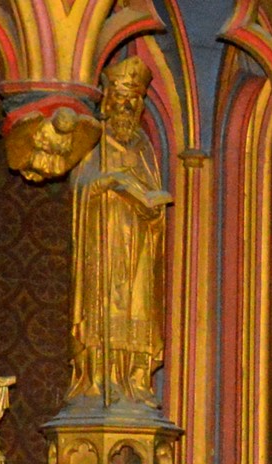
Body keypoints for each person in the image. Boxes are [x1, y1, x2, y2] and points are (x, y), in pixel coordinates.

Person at [69, 56, 171, 407]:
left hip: (139, 244)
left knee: (139, 306)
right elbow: (79, 184)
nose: (126, 104)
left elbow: (152, 186)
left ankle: (136, 381)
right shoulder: (94, 139)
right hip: (104, 238)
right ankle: (100, 379)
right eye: (121, 95)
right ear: (108, 97)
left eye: (134, 98)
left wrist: (152, 208)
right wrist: (105, 183)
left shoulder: (142, 145)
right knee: (103, 309)